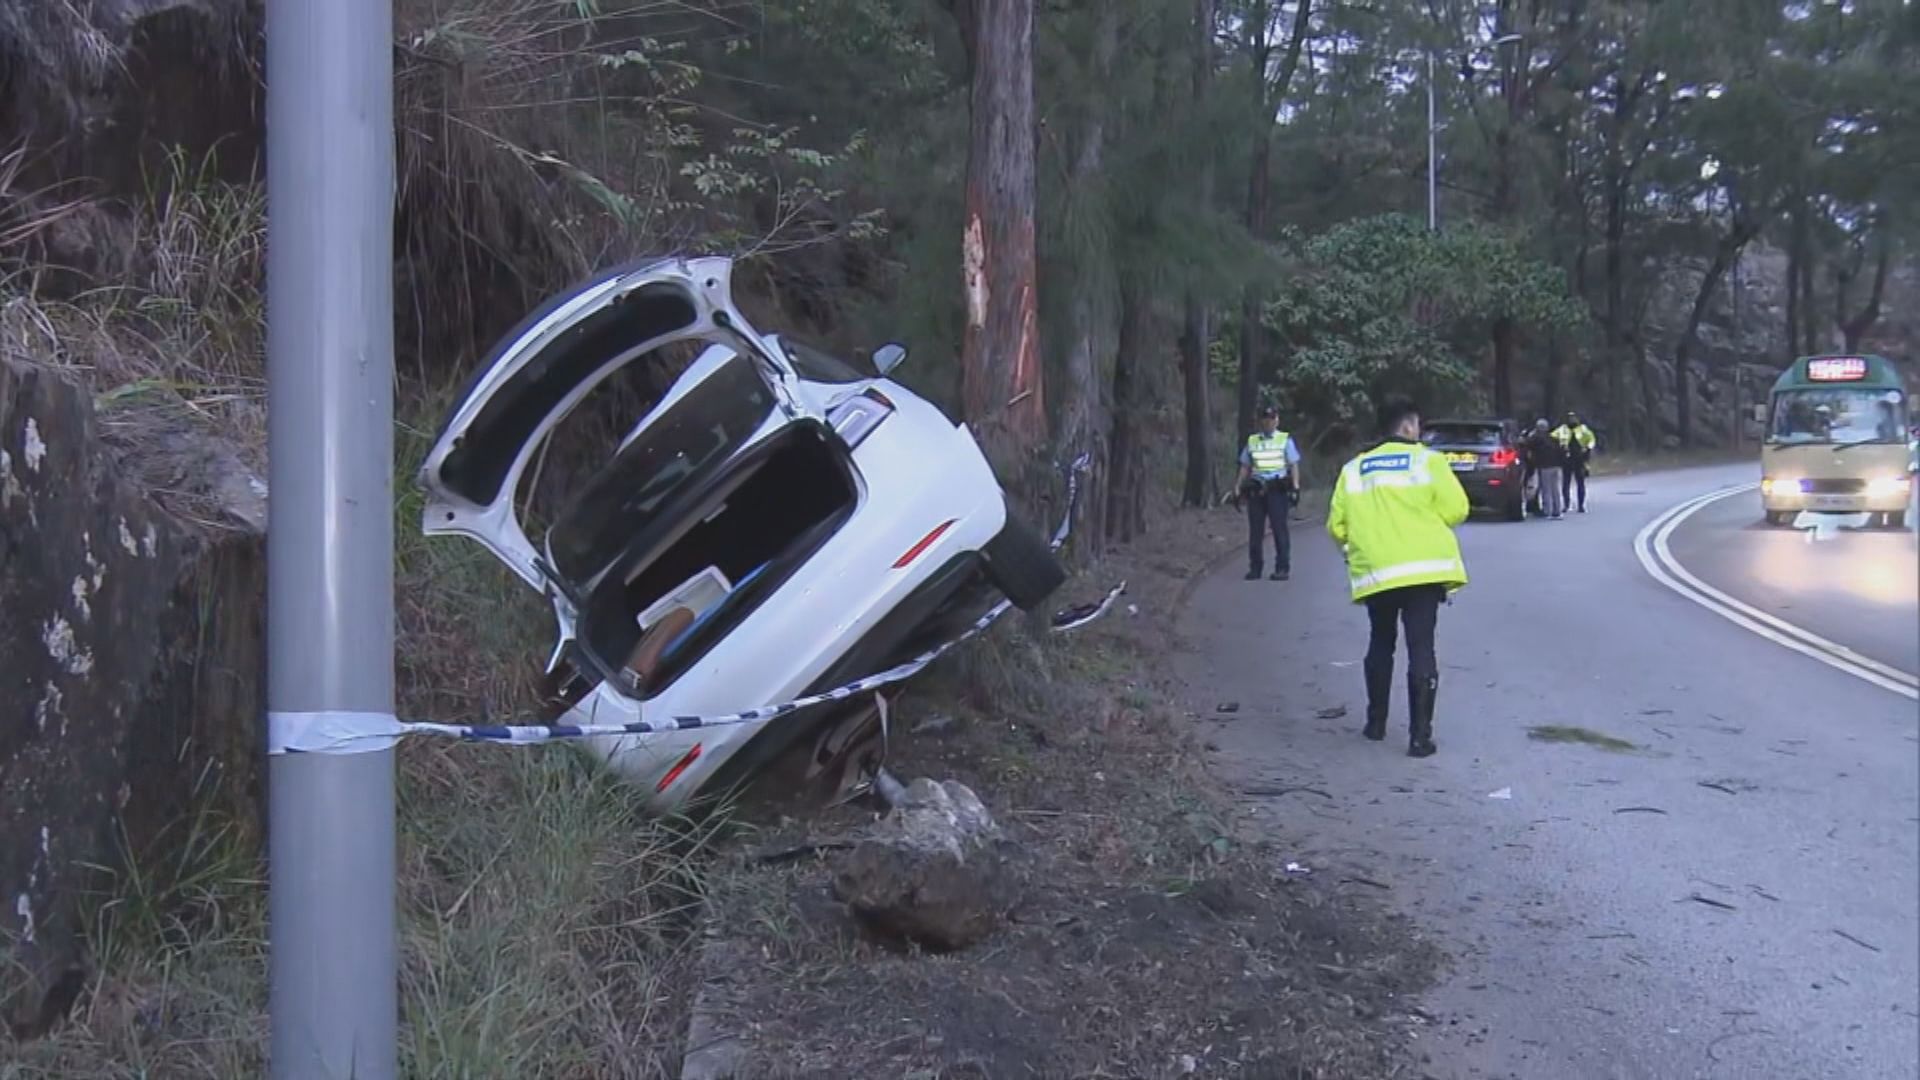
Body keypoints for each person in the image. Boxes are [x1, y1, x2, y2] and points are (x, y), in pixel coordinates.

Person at [1327, 396, 1469, 757]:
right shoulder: (1428, 460)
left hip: (1378, 574)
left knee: (1380, 641)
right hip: (1423, 571)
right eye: (1417, 425)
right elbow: (1457, 510)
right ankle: (1420, 737)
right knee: (1421, 647)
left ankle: (1375, 724)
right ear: (1407, 426)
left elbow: (1336, 526)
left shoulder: (1354, 469)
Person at [1236, 405, 1303, 581]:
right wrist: (1237, 487)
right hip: (1257, 490)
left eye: (1271, 419)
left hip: (1277, 490)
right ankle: (1255, 568)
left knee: (1279, 530)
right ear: (1261, 421)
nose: (1268, 422)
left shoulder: (1284, 440)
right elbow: (1245, 466)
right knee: (1255, 532)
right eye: (1265, 419)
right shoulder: (1252, 441)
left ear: (1277, 420)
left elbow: (1293, 464)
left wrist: (1295, 487)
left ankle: (1282, 568)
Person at [1552, 411, 1597, 512]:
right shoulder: (1562, 429)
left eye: (1574, 418)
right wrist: (1558, 447)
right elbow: (1552, 437)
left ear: (1578, 419)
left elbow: (1592, 440)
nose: (1572, 420)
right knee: (1565, 483)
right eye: (1570, 418)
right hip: (1566, 459)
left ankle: (1581, 505)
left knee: (1580, 482)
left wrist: (1587, 448)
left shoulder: (1583, 429)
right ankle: (1566, 505)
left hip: (1579, 459)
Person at [1528, 419, 1567, 519]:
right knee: (1555, 489)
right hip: (1556, 466)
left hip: (1545, 467)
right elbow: (1561, 451)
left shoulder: (1537, 438)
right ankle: (1557, 511)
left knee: (1546, 489)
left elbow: (1528, 444)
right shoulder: (1553, 439)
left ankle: (1547, 511)